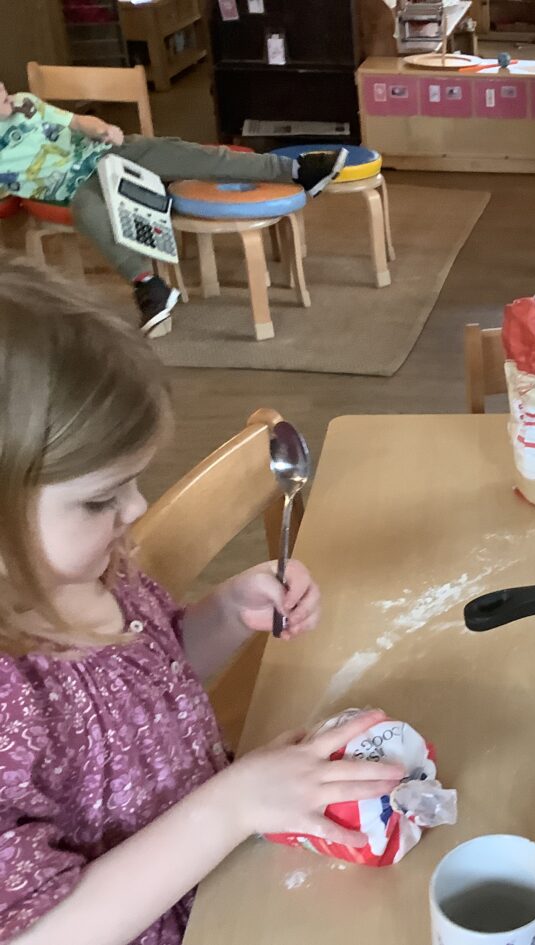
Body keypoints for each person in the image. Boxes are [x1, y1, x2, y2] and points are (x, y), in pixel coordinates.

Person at [0, 254, 401, 945]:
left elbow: (154, 685)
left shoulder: (99, 571)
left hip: (228, 875)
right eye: (101, 498)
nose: (137, 508)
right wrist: (230, 806)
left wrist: (225, 615)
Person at [0, 83, 346, 335]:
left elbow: (77, 122)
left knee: (186, 155)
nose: (5, 96)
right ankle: (149, 286)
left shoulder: (25, 104)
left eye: (2, 89)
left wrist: (104, 129)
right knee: (89, 212)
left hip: (106, 152)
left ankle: (296, 170)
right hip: (79, 188)